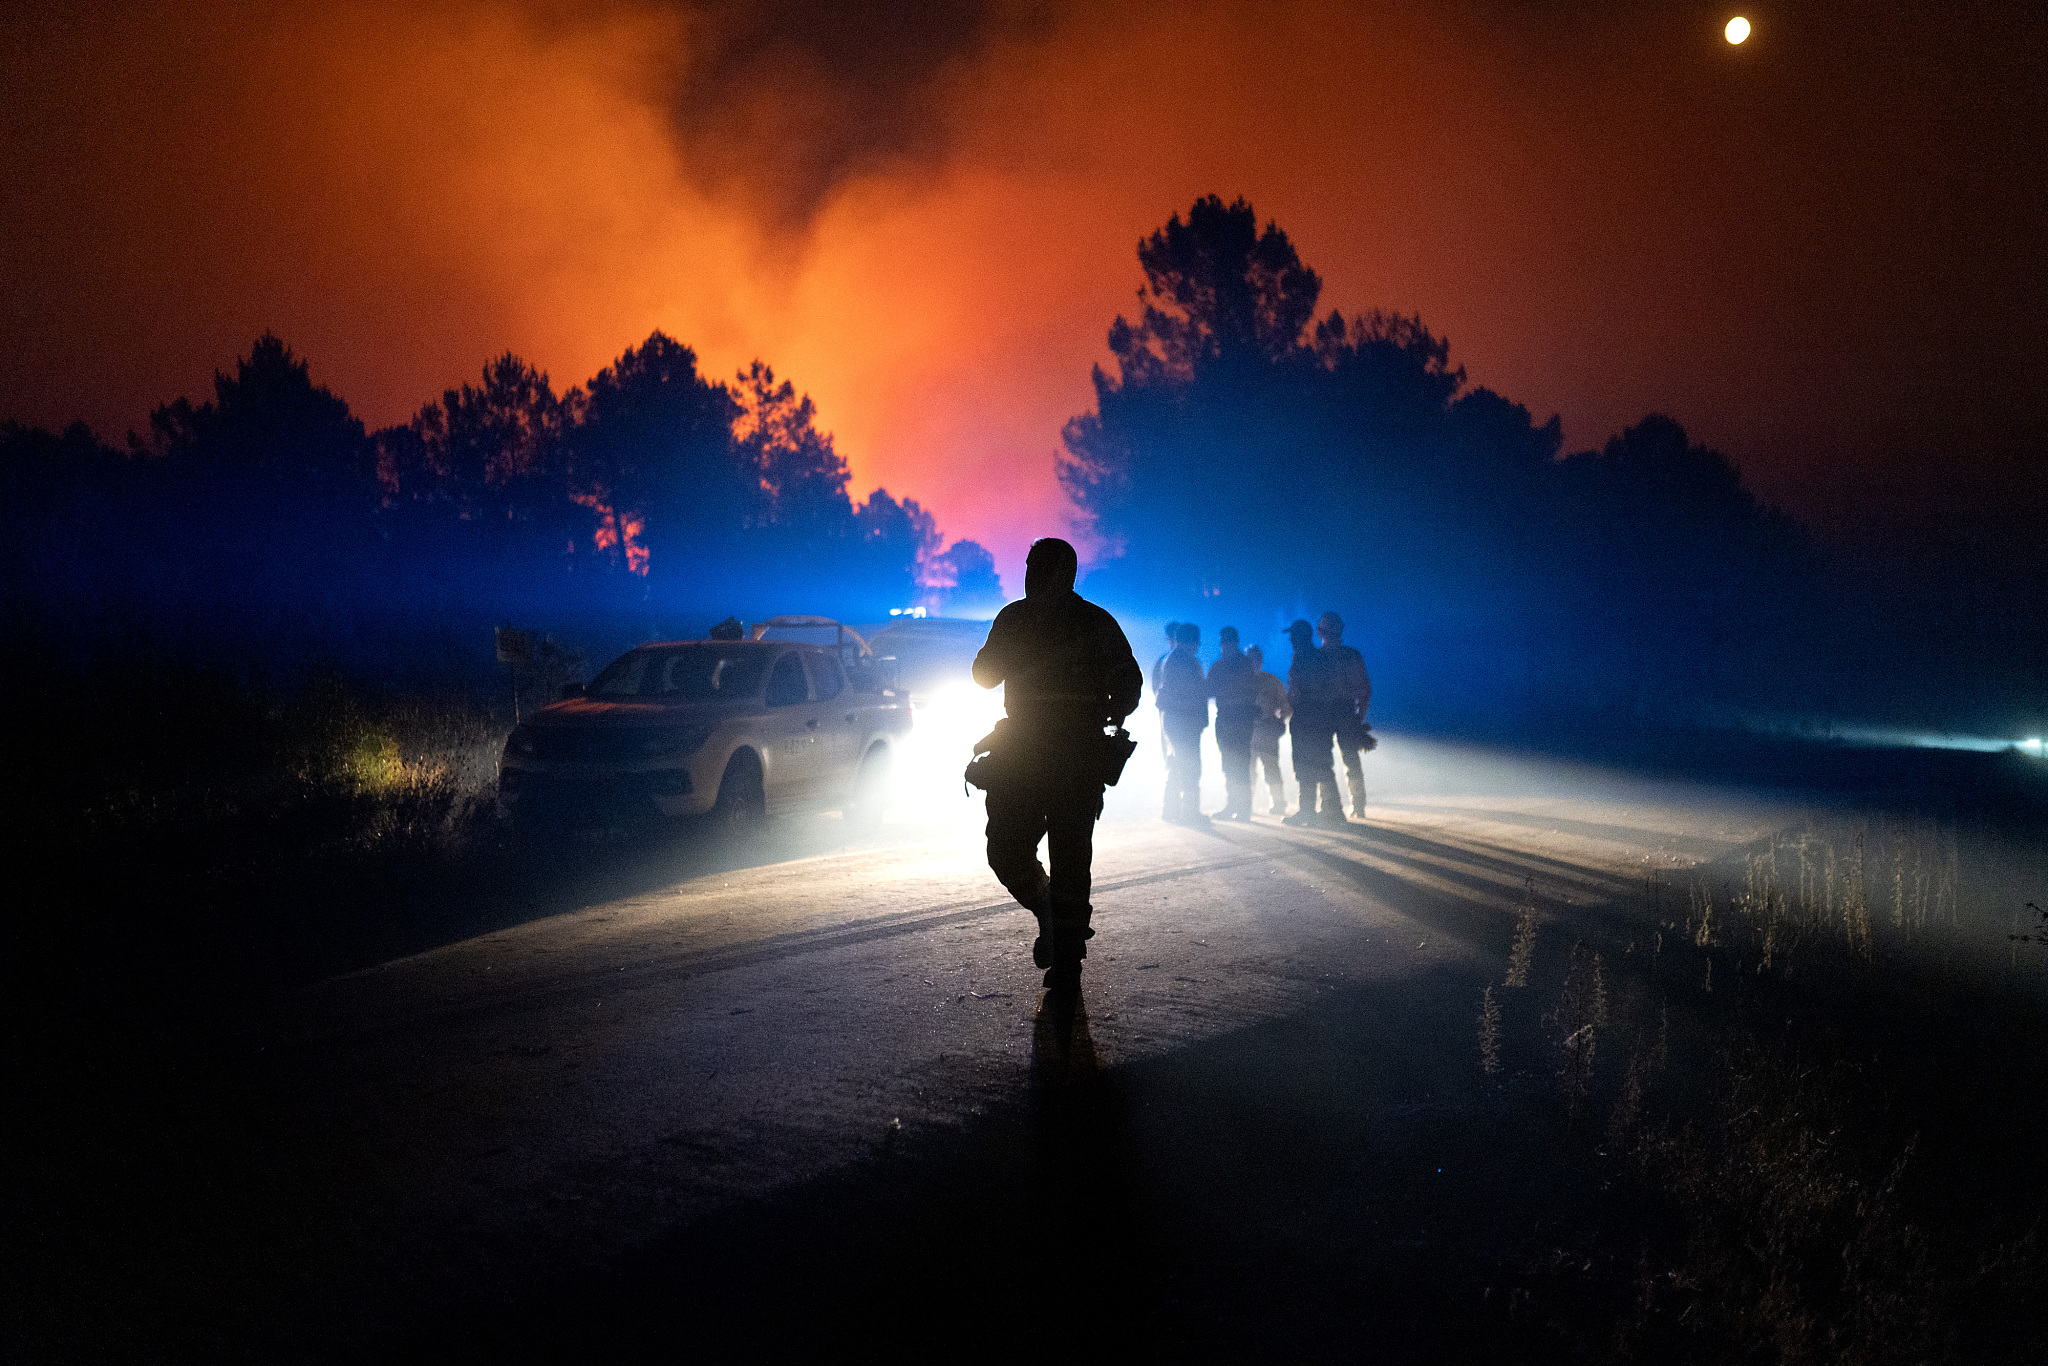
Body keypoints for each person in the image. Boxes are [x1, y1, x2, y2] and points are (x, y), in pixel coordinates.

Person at [972, 538, 1143, 998]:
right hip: (1028, 754)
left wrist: (1113, 708)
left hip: (1071, 757)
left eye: (1037, 567)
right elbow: (984, 674)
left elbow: (1129, 682)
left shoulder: (1092, 622)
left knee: (1070, 858)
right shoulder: (1018, 618)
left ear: (1062, 573)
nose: (1028, 575)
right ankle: (1049, 911)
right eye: (1028, 565)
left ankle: (1067, 959)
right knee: (1006, 850)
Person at [1282, 618, 1348, 828]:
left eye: (1293, 636)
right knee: (1321, 765)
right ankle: (1332, 811)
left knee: (1305, 766)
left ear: (1298, 638)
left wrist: (1290, 704)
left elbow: (1297, 690)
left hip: (1306, 720)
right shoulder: (1321, 658)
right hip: (1321, 720)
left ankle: (1310, 812)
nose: (1291, 640)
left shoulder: (1302, 659)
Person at [1318, 611, 1375, 819]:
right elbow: (1365, 691)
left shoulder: (1318, 657)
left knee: (1326, 760)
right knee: (1350, 760)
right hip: (1344, 712)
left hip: (1329, 713)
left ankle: (1331, 805)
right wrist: (1359, 718)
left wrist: (1358, 718)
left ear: (1321, 631)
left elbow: (1365, 691)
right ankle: (1357, 805)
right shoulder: (1351, 655)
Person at [1153, 621, 1210, 824]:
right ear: (1193, 642)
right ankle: (1190, 813)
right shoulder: (1187, 661)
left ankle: (1171, 810)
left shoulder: (1169, 659)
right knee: (1190, 766)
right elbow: (1196, 693)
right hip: (1184, 720)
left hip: (1174, 719)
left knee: (1177, 763)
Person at [1207, 626, 1259, 821]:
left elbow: (1209, 691)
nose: (1224, 646)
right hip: (1238, 719)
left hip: (1231, 719)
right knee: (1235, 764)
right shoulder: (1245, 664)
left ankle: (1239, 807)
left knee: (1234, 764)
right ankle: (1240, 807)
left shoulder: (1220, 665)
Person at [1246, 644, 1290, 816]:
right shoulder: (1243, 681)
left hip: (1266, 731)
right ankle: (1247, 803)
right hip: (1248, 732)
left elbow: (1286, 705)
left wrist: (1279, 722)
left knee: (1271, 769)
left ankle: (1278, 803)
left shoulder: (1271, 681)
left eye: (1257, 659)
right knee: (1248, 770)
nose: (1254, 662)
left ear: (1261, 661)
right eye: (1251, 659)